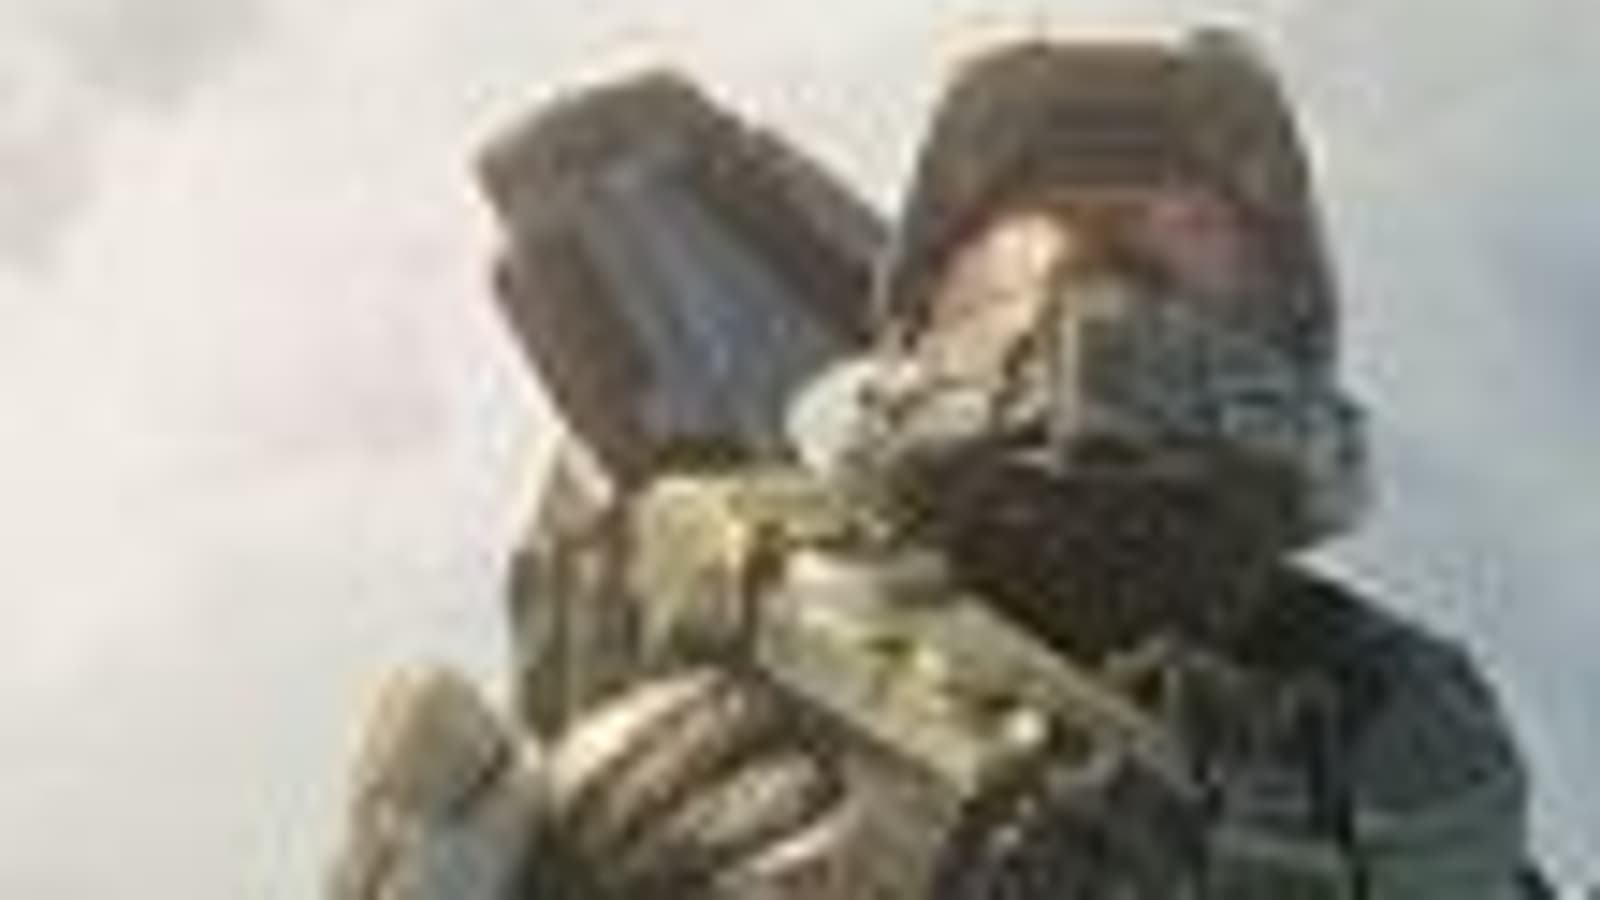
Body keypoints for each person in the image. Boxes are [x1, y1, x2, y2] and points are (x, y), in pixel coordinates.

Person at [327, 29, 1535, 900]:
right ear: (912, 324)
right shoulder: (695, 714)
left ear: (1287, 324)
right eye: (1030, 244)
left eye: (1182, 240)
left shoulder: (1417, 782)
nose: (1098, 289)